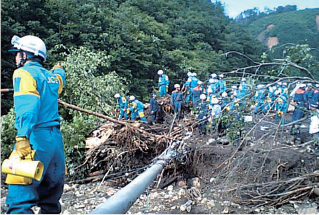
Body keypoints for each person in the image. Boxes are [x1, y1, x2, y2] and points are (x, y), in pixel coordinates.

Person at [6, 35, 66, 214]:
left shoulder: (23, 73)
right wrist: (59, 70)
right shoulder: (52, 78)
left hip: (35, 139)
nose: (16, 57)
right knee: (50, 202)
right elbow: (59, 80)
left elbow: (28, 107)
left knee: (19, 199)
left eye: (18, 53)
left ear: (26, 55)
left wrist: (22, 137)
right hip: (55, 143)